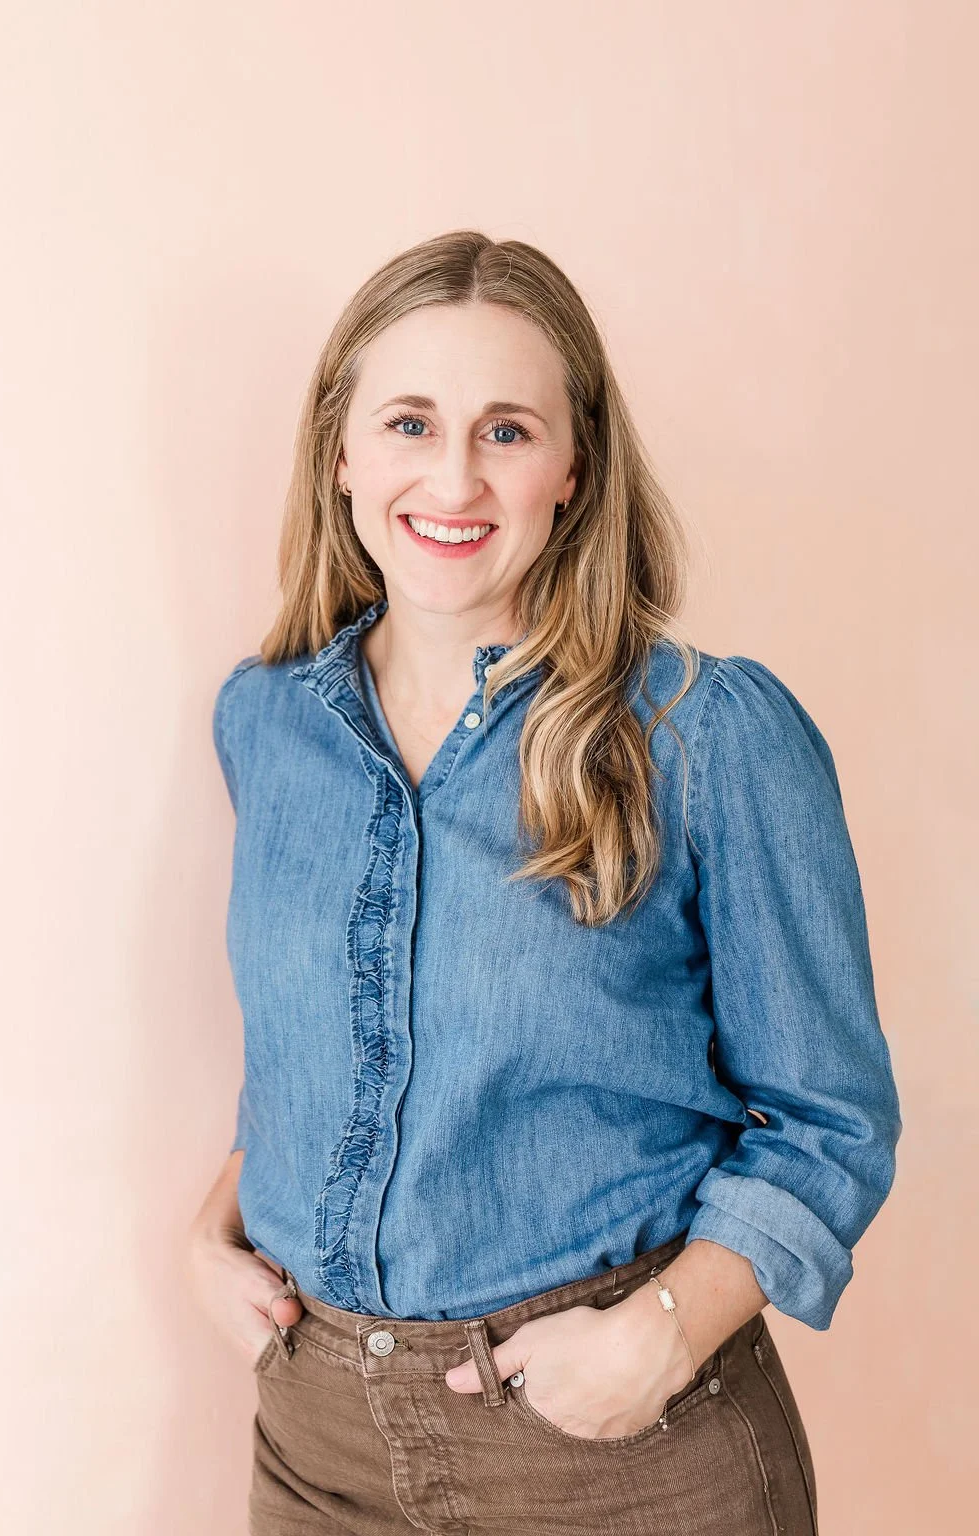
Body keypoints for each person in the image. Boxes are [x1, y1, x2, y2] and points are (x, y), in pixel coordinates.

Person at [188, 229, 901, 1535]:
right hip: (317, 1446)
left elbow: (830, 1118)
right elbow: (333, 1031)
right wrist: (216, 1220)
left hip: (621, 1457)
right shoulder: (267, 724)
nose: (454, 476)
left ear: (575, 467)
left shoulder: (704, 736)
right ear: (341, 451)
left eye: (506, 431)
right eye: (411, 422)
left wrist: (661, 1340)